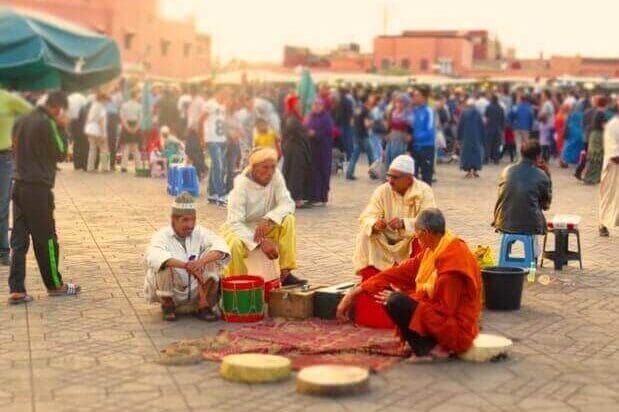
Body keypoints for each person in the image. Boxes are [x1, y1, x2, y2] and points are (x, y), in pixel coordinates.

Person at [337, 208, 482, 360]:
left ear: (425, 233)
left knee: (395, 300)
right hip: (439, 315)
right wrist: (354, 292)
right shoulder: (436, 247)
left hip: (456, 330)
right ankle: (422, 342)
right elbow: (398, 272)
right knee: (387, 294)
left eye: (417, 234)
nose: (416, 237)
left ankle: (432, 347)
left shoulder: (453, 261)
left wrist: (408, 301)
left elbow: (445, 310)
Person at [9, 91, 81, 304]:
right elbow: (61, 152)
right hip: (38, 190)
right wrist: (61, 126)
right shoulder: (47, 123)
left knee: (19, 241)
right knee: (47, 239)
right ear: (57, 108)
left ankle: (17, 289)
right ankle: (55, 285)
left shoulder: (21, 119)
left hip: (19, 185)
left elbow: (14, 145)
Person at [222, 147, 306, 286]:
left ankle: (285, 273)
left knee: (288, 219)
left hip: (266, 224)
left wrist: (269, 218)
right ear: (253, 167)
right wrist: (261, 241)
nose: (269, 172)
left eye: (273, 167)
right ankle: (239, 285)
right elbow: (235, 223)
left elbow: (287, 203)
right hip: (241, 228)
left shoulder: (275, 176)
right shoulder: (241, 185)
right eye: (264, 167)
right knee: (234, 245)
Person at [144, 192, 230, 321]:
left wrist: (200, 262)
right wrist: (185, 266)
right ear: (174, 219)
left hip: (197, 291)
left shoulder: (200, 232)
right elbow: (154, 257)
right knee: (163, 264)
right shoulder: (161, 235)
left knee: (211, 258)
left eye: (193, 220)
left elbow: (221, 246)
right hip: (173, 291)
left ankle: (202, 306)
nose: (190, 225)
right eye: (185, 220)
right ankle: (168, 305)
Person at [353, 155, 436, 278]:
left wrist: (404, 223)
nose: (390, 181)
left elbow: (430, 220)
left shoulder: (424, 191)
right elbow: (368, 215)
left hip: (410, 240)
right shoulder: (382, 190)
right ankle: (372, 281)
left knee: (425, 237)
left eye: (395, 178)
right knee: (366, 235)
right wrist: (375, 224)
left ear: (409, 179)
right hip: (386, 241)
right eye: (389, 176)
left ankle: (413, 282)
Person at [492, 140, 552, 249]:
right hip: (530, 224)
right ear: (538, 156)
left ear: (521, 152)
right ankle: (532, 259)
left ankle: (506, 253)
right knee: (535, 216)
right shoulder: (541, 175)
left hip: (503, 221)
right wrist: (547, 174)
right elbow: (546, 205)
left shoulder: (506, 170)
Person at [0, 89, 32, 266]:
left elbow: (32, 114)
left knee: (2, 205)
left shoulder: (7, 97)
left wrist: (16, 134)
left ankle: (3, 251)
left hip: (4, 159)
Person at [281, 94, 312, 208]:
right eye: (297, 103)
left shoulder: (294, 116)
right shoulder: (291, 117)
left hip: (293, 146)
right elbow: (293, 128)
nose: (299, 105)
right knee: (295, 173)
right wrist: (306, 132)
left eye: (299, 103)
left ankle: (292, 198)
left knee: (292, 172)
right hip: (294, 148)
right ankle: (295, 199)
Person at [306, 98, 335, 206]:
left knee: (323, 172)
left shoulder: (326, 118)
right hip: (313, 149)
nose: (316, 107)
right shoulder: (310, 116)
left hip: (323, 149)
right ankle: (314, 196)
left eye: (318, 105)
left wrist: (316, 134)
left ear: (322, 106)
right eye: (314, 104)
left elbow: (328, 132)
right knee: (314, 173)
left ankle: (322, 197)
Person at [202, 88, 229, 204]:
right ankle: (221, 194)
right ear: (219, 92)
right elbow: (201, 120)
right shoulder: (210, 104)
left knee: (215, 166)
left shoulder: (223, 106)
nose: (227, 95)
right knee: (219, 167)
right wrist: (202, 138)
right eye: (225, 93)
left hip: (222, 140)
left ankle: (212, 194)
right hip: (212, 139)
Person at [598, 109, 619, 237]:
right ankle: (602, 223)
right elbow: (614, 155)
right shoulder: (613, 125)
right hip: (613, 168)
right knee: (608, 197)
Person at [346, 95, 377, 180]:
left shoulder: (357, 109)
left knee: (354, 155)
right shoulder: (366, 111)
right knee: (371, 155)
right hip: (364, 136)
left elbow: (351, 122)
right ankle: (373, 173)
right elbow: (366, 124)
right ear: (367, 103)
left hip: (356, 134)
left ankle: (349, 173)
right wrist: (373, 123)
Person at [410, 87, 436, 185]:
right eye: (414, 96)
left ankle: (427, 199)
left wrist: (414, 137)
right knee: (412, 177)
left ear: (424, 98)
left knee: (426, 178)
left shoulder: (428, 111)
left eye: (417, 95)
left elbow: (430, 131)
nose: (414, 98)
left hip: (426, 148)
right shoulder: (415, 111)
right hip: (415, 148)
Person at [582, 97, 608, 185]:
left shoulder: (596, 112)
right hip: (598, 136)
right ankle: (593, 178)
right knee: (597, 158)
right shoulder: (601, 113)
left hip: (593, 135)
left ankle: (588, 177)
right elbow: (604, 126)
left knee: (592, 157)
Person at [457, 98, 485, 178]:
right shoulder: (478, 113)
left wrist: (458, 137)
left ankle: (469, 171)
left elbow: (460, 126)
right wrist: (483, 137)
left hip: (466, 137)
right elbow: (482, 126)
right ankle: (475, 170)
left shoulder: (464, 113)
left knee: (467, 154)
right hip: (477, 137)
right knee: (476, 153)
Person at [119, 89, 143, 173]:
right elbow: (140, 119)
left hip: (126, 125)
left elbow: (122, 117)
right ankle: (138, 167)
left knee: (126, 147)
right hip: (135, 124)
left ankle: (123, 167)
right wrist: (136, 128)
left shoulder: (124, 105)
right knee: (135, 148)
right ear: (136, 96)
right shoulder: (139, 106)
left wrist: (127, 127)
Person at [85, 91, 109, 172]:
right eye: (106, 100)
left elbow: (89, 118)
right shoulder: (101, 107)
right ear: (102, 99)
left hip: (90, 129)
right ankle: (104, 168)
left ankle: (90, 168)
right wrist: (103, 133)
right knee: (104, 149)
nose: (106, 102)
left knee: (92, 149)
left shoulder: (93, 106)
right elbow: (101, 121)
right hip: (97, 130)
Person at [484, 94, 505, 164]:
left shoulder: (488, 107)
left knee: (488, 144)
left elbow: (486, 118)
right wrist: (502, 129)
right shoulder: (500, 108)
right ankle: (496, 160)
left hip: (490, 128)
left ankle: (486, 159)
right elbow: (503, 120)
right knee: (497, 145)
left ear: (492, 99)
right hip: (498, 129)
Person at [561, 102, 585, 167]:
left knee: (568, 146)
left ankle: (565, 160)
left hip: (571, 132)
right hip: (581, 133)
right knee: (579, 148)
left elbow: (566, 123)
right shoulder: (583, 114)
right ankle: (577, 161)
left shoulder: (571, 114)